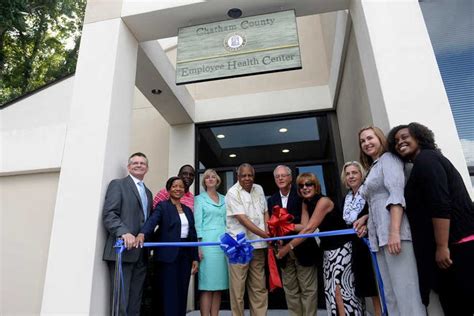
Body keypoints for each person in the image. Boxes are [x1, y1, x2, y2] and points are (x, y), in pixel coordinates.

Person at [387, 122, 474, 315]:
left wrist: (442, 246)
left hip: (458, 248)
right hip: (454, 248)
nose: (400, 142)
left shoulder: (427, 160)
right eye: (396, 141)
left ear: (420, 137)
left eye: (405, 136)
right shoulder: (424, 162)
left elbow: (440, 204)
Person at [357, 126, 425, 316]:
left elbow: (396, 194)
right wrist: (366, 217)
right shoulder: (374, 167)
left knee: (406, 293)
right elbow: (377, 199)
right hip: (379, 239)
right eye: (362, 141)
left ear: (380, 138)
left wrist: (394, 232)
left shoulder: (389, 159)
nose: (366, 143)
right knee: (390, 295)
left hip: (396, 235)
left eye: (370, 138)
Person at [278, 172, 363, 315]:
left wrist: (286, 248)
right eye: (301, 185)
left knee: (340, 292)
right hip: (327, 251)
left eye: (308, 184)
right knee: (330, 292)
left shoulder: (324, 201)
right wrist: (282, 228)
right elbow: (303, 226)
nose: (305, 188)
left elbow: (309, 229)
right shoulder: (305, 203)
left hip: (341, 250)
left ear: (316, 186)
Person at [136, 176, 199, 316]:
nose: (178, 189)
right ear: (169, 189)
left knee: (182, 290)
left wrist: (195, 258)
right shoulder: (163, 206)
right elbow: (152, 221)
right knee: (168, 292)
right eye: (175, 186)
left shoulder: (188, 210)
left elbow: (192, 234)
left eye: (181, 186)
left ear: (184, 190)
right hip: (167, 256)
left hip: (185, 256)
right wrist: (142, 234)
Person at [102, 152, 153, 316]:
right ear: (129, 167)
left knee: (135, 302)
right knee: (120, 303)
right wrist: (124, 233)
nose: (139, 165)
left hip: (141, 254)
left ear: (147, 168)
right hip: (122, 252)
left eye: (142, 163)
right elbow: (110, 214)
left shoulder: (148, 192)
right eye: (135, 163)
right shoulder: (118, 185)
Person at [267, 165, 319, 316]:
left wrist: (284, 226)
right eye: (277, 176)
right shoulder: (272, 200)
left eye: (284, 175)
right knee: (290, 291)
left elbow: (306, 226)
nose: (281, 178)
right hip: (283, 253)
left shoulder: (302, 194)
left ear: (291, 178)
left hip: (304, 249)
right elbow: (272, 225)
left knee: (308, 290)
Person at [225, 163, 270, 316]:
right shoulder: (232, 192)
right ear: (238, 177)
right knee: (238, 290)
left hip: (258, 245)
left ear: (253, 175)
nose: (247, 178)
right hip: (239, 247)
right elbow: (243, 219)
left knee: (259, 287)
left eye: (250, 175)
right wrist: (266, 235)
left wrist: (268, 231)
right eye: (243, 175)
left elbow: (265, 212)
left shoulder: (259, 189)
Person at [341, 161, 382, 316]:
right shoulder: (347, 197)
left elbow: (377, 210)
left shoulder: (368, 191)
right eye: (348, 173)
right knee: (365, 285)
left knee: (375, 284)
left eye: (354, 172)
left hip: (371, 243)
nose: (351, 176)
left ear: (361, 174)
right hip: (355, 245)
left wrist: (366, 217)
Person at [194, 169, 228, 316]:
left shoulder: (225, 198)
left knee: (219, 285)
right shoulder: (199, 199)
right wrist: (198, 247)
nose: (210, 179)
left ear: (218, 180)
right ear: (204, 181)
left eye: (213, 177)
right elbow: (197, 224)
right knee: (207, 285)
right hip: (207, 244)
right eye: (207, 177)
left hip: (223, 244)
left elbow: (228, 221)